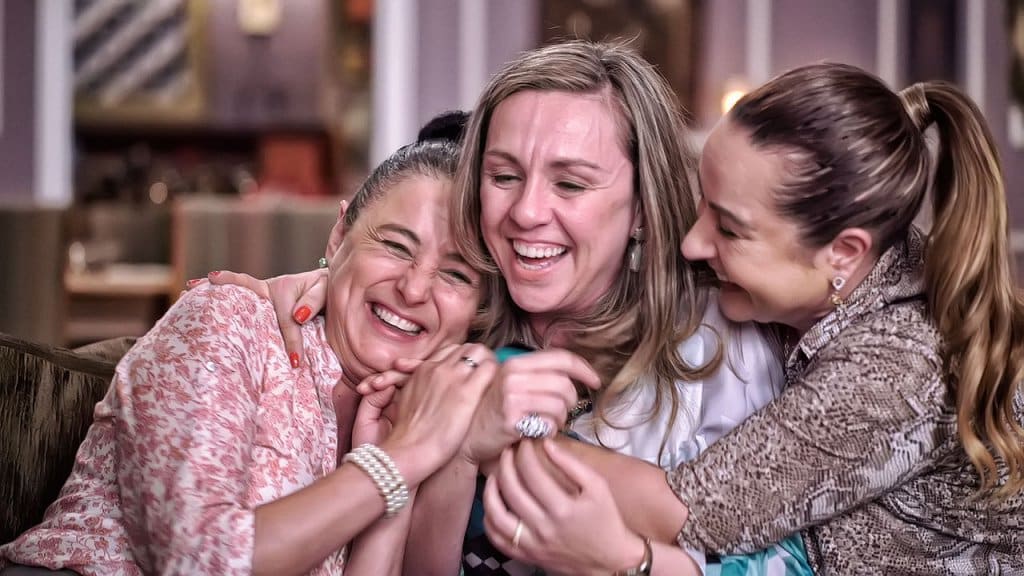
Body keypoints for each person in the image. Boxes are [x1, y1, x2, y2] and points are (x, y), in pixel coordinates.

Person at [210, 41, 789, 575]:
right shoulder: (448, 322)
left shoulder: (722, 346)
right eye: (504, 176)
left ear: (640, 207)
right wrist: (323, 280)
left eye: (570, 184)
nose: (527, 212)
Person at [483, 62, 1024, 574]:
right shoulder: (857, 266)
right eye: (703, 204)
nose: (693, 244)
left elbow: (686, 513)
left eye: (729, 228)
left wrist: (477, 425)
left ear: (843, 252)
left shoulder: (896, 368)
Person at [0, 112, 499, 576]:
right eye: (394, 245)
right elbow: (197, 560)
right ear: (338, 236)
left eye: (456, 274)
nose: (414, 289)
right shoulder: (228, 318)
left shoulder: (419, 412)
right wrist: (396, 463)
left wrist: (401, 472)